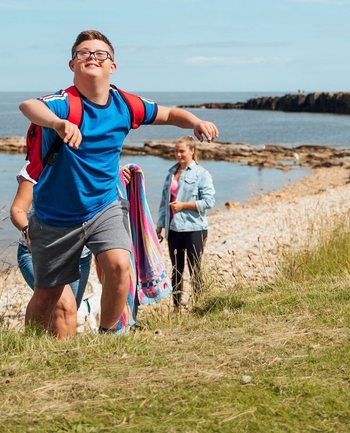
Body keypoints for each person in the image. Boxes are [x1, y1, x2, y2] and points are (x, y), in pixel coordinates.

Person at [19, 29, 218, 335]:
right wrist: (59, 123)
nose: (92, 57)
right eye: (83, 53)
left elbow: (167, 113)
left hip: (104, 205)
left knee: (119, 266)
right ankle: (27, 346)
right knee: (47, 297)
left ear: (113, 66)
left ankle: (109, 334)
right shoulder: (63, 103)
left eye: (101, 54)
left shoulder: (125, 104)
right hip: (56, 217)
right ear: (72, 65)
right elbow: (29, 106)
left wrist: (195, 121)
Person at [10, 177, 91, 337]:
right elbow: (17, 209)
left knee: (66, 313)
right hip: (40, 252)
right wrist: (28, 232)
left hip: (79, 255)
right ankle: (51, 356)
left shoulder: (89, 164)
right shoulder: (37, 165)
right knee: (65, 306)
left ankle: (44, 353)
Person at [156, 136, 216, 311]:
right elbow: (163, 203)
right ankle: (176, 308)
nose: (178, 154)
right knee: (176, 270)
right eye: (176, 151)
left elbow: (209, 202)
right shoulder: (170, 174)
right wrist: (160, 226)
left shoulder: (201, 174)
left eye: (182, 151)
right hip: (173, 229)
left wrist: (184, 206)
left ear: (192, 151)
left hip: (194, 229)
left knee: (195, 270)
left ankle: (200, 307)